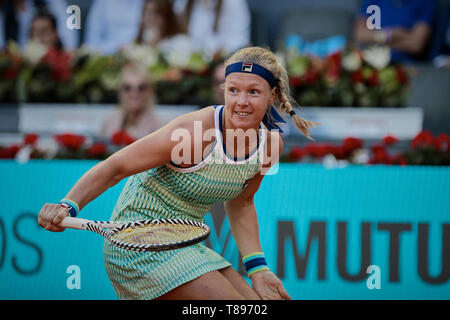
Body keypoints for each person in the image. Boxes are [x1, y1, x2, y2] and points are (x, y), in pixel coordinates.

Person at [37, 46, 318, 300]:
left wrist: (258, 269)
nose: (241, 101)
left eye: (253, 92)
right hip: (138, 245)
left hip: (186, 242)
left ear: (273, 96)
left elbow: (242, 203)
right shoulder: (193, 132)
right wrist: (68, 205)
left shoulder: (271, 144)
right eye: (233, 90)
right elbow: (115, 167)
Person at [353, 0, 436, 63]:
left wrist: (375, 38)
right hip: (371, 61)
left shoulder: (425, 2)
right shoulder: (374, 1)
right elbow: (360, 35)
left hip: (405, 65)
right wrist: (392, 34)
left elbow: (416, 45)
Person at [100, 63, 161, 140]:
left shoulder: (160, 128)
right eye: (127, 88)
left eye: (141, 88)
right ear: (120, 91)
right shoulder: (109, 122)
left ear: (150, 91)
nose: (134, 94)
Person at [173, 0, 251, 56]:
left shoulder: (234, 3)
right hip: (188, 65)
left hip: (222, 64)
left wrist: (220, 52)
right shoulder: (182, 3)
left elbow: (240, 40)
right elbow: (176, 34)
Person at [0, 0, 79, 50]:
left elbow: (69, 44)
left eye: (43, 32)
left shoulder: (51, 3)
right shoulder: (4, 11)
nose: (39, 39)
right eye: (35, 33)